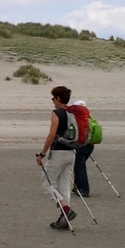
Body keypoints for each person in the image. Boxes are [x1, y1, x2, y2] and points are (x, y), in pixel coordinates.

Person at [35, 86, 78, 230]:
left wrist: (42, 154)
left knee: (47, 183)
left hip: (58, 153)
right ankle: (64, 218)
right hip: (71, 153)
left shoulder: (57, 113)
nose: (52, 101)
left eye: (53, 98)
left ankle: (66, 210)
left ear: (58, 99)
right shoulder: (72, 112)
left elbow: (52, 134)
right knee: (64, 186)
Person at [71, 100, 94, 197]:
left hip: (82, 145)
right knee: (79, 166)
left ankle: (84, 189)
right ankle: (77, 187)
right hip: (90, 145)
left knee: (80, 167)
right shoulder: (89, 117)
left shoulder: (79, 119)